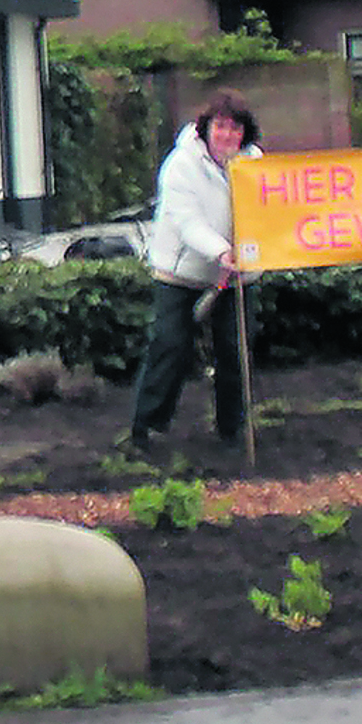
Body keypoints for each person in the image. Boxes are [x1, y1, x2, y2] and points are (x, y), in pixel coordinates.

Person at [123, 91, 262, 455]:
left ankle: (232, 428)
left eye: (235, 129)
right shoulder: (181, 165)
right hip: (180, 274)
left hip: (237, 277)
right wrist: (220, 250)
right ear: (206, 129)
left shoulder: (255, 163)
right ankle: (147, 427)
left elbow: (267, 211)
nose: (227, 135)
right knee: (172, 345)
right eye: (220, 127)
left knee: (235, 350)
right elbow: (187, 222)